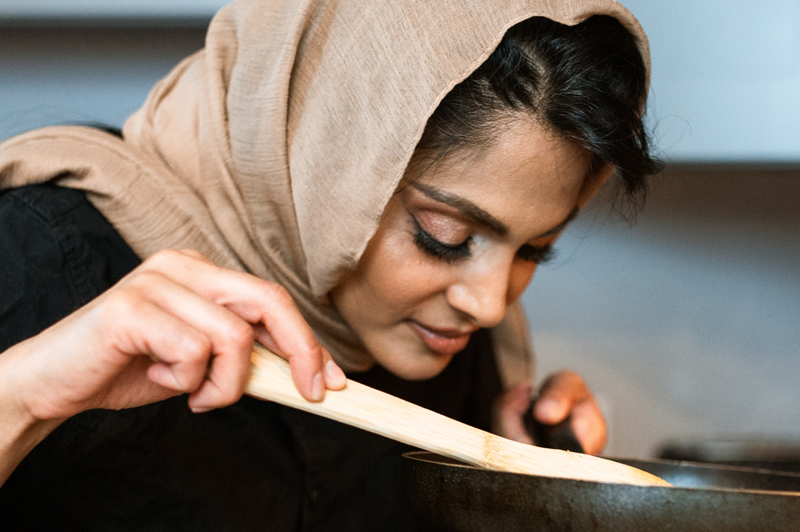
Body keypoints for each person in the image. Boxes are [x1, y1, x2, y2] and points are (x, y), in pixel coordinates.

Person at [0, 0, 659, 530]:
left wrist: (517, 496)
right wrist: (24, 395)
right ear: (323, 158)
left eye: (535, 249)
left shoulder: (461, 351)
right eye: (444, 235)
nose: (490, 303)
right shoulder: (41, 261)